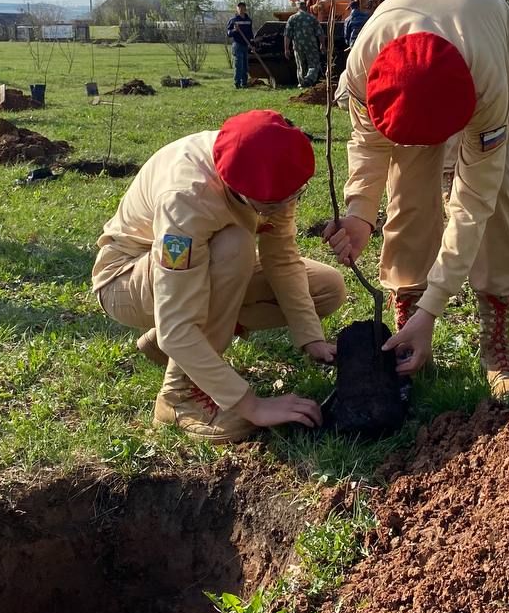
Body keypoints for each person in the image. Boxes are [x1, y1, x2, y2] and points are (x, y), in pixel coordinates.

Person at [324, 0, 509, 399]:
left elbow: (473, 202)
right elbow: (368, 142)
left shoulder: (487, 84)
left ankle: (495, 344)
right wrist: (361, 212)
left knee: (495, 204)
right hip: (415, 48)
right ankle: (408, 316)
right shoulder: (365, 62)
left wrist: (434, 307)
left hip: (490, 37)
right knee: (408, 194)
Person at [92, 110, 347, 443]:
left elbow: (281, 260)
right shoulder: (185, 200)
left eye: (293, 197)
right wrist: (251, 405)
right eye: (272, 204)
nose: (283, 208)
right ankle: (179, 395)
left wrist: (310, 336)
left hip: (195, 271)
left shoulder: (267, 164)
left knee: (326, 289)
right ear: (238, 189)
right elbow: (177, 324)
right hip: (126, 278)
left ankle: (183, 352)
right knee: (234, 246)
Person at [284, 0, 323, 87]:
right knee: (314, 64)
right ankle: (309, 79)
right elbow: (319, 33)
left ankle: (302, 83)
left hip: (298, 46)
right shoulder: (312, 18)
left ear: (298, 8)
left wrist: (286, 49)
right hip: (311, 46)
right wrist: (322, 45)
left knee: (301, 65)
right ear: (306, 7)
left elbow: (287, 35)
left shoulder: (292, 18)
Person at [225, 1, 253, 89]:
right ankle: (237, 84)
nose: (241, 9)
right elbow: (229, 33)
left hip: (246, 45)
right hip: (237, 45)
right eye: (239, 7)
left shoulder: (249, 20)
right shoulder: (233, 20)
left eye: (242, 7)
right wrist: (234, 30)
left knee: (245, 66)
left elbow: (250, 34)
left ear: (245, 9)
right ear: (237, 9)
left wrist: (252, 43)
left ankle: (244, 83)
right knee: (239, 65)